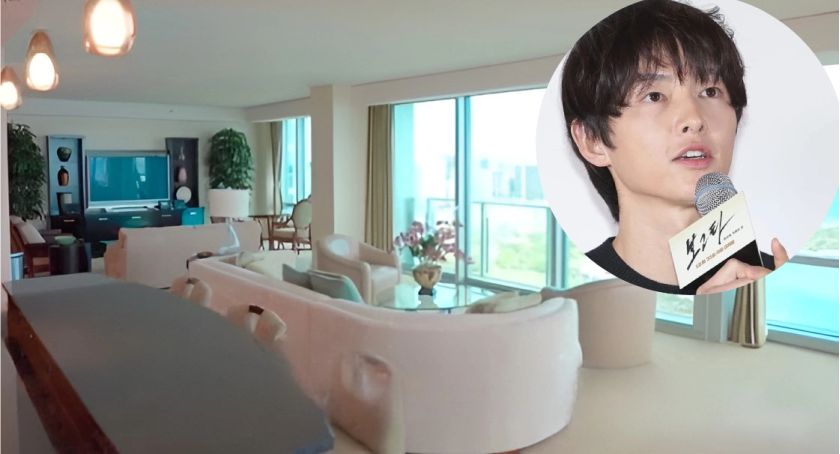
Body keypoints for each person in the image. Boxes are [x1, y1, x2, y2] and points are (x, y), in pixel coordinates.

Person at [560, 0, 787, 295]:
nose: (694, 119)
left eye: (710, 91)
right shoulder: (589, 292)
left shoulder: (771, 275)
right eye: (654, 96)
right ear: (592, 139)